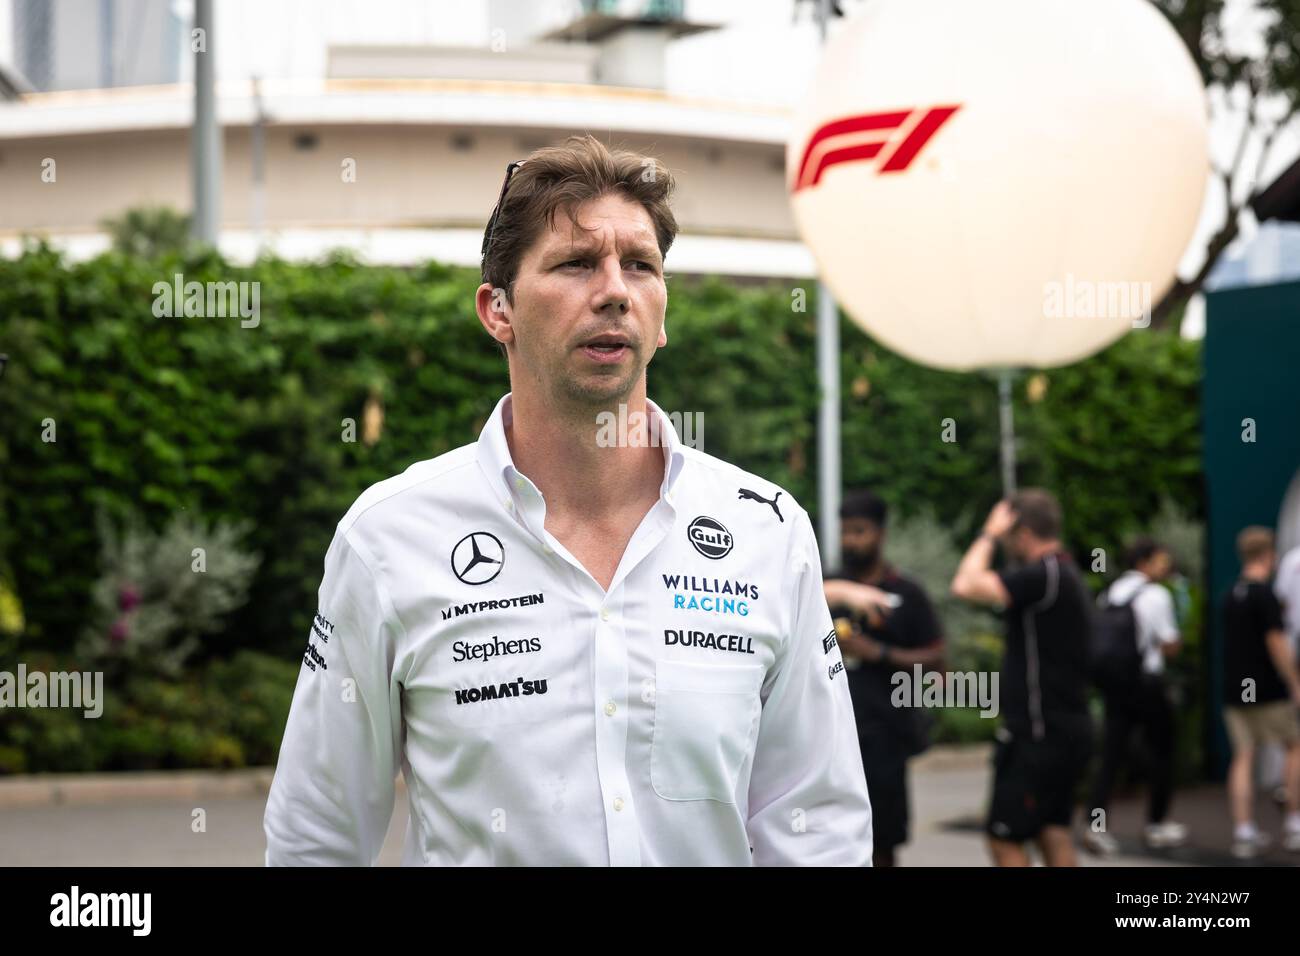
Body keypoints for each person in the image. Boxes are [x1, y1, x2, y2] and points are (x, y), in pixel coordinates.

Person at [263, 134, 872, 866]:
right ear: (498, 310)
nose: (614, 289)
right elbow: (317, 835)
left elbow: (818, 825)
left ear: (663, 313)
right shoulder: (388, 537)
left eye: (639, 265)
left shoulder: (766, 531)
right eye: (577, 263)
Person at [950, 490, 1093, 866]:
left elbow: (965, 585)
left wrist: (989, 534)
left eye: (1010, 536)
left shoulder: (1043, 575)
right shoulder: (1065, 573)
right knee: (1052, 831)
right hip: (1066, 729)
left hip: (1036, 735)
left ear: (1023, 534)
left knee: (1004, 837)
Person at [823, 489, 944, 867]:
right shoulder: (829, 588)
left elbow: (937, 659)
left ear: (880, 534)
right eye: (845, 532)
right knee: (825, 840)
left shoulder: (905, 594)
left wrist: (878, 653)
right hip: (828, 736)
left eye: (859, 531)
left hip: (884, 740)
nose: (850, 541)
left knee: (881, 843)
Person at [1083, 538, 1186, 856]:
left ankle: (1095, 825)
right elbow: (1169, 644)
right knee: (1162, 750)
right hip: (1146, 681)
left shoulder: (1112, 591)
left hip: (1116, 684)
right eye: (1160, 560)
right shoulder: (1156, 595)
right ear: (1144, 562)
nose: (1165, 566)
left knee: (1111, 754)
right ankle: (1156, 823)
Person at [1221, 527, 1300, 858]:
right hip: (1267, 690)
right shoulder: (1264, 596)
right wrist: (1294, 682)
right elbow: (1276, 642)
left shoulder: (1230, 595)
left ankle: (1244, 830)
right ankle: (1295, 825)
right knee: (1294, 748)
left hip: (1235, 690)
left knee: (1243, 755)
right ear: (1268, 555)